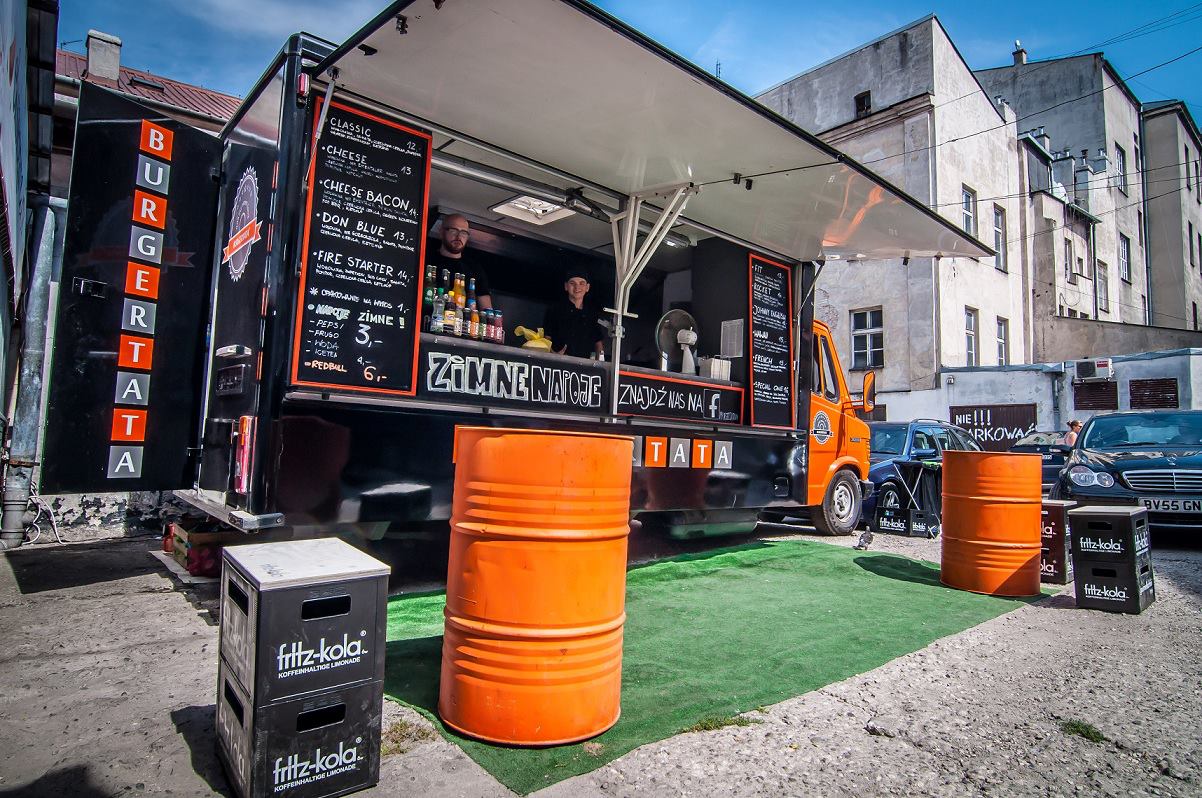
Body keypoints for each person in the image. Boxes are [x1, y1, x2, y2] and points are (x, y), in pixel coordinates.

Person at [430, 213, 492, 309]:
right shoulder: (427, 260)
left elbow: (487, 310)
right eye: (454, 231)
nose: (459, 237)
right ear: (441, 232)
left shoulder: (475, 269)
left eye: (464, 233)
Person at [542, 268, 605, 359]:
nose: (577, 287)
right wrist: (554, 355)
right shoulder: (555, 310)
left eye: (581, 283)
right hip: (558, 363)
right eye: (572, 283)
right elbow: (546, 339)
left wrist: (600, 363)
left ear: (587, 287)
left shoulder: (592, 314)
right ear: (566, 286)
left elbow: (598, 343)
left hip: (585, 365)